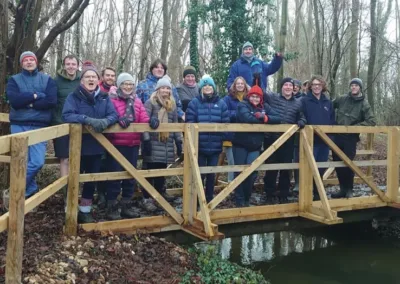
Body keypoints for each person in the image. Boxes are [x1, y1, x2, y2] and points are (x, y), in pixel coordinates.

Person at [62, 61, 118, 223]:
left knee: (91, 179)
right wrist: (86, 120)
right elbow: (67, 115)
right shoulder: (74, 97)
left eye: (94, 77)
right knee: (74, 178)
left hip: (97, 146)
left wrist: (106, 121)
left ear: (98, 79)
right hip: (77, 145)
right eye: (87, 77)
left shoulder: (104, 97)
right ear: (82, 80)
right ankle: (70, 209)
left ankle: (85, 209)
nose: (91, 79)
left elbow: (114, 115)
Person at [6, 51, 57, 198]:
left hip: (39, 126)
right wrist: (35, 96)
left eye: (31, 59)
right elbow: (15, 101)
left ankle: (13, 191)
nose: (29, 62)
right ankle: (29, 189)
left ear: (36, 62)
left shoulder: (47, 80)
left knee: (37, 162)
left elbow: (51, 101)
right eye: (25, 60)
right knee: (20, 161)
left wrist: (26, 103)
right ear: (22, 63)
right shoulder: (14, 80)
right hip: (18, 125)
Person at [105, 73, 150, 220]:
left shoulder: (136, 101)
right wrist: (118, 120)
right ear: (119, 85)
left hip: (133, 144)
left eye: (131, 84)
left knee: (130, 176)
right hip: (116, 144)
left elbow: (143, 117)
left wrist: (152, 121)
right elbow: (108, 116)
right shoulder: (111, 100)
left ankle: (126, 206)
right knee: (114, 176)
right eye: (125, 84)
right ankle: (111, 207)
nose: (128, 87)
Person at [232, 84, 280, 207]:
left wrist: (265, 118)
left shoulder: (265, 107)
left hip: (255, 145)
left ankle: (247, 198)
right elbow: (247, 118)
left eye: (257, 97)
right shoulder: (243, 104)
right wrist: (259, 116)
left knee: (252, 173)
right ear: (249, 96)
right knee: (240, 172)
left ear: (261, 98)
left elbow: (278, 118)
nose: (255, 99)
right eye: (253, 96)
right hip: (240, 144)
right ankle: (239, 200)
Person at [186, 75, 230, 202]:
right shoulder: (194, 103)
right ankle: (196, 201)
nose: (207, 87)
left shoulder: (221, 104)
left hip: (215, 147)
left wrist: (221, 137)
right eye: (204, 85)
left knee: (211, 175)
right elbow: (190, 122)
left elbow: (226, 123)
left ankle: (209, 200)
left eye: (209, 85)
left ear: (213, 88)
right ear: (201, 88)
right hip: (199, 146)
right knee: (199, 175)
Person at [142, 76, 183, 212]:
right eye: (163, 87)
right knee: (149, 171)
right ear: (158, 89)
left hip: (167, 143)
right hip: (153, 142)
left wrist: (179, 141)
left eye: (167, 88)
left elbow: (175, 124)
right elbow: (144, 122)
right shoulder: (150, 102)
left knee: (161, 170)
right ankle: (147, 198)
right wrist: (146, 140)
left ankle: (160, 194)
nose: (165, 90)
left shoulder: (172, 104)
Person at [263, 78, 306, 203]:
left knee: (286, 169)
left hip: (288, 140)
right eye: (285, 85)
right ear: (281, 87)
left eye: (290, 85)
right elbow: (260, 92)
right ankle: (269, 194)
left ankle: (283, 194)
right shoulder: (273, 97)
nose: (288, 87)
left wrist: (301, 122)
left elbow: (302, 116)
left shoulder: (298, 103)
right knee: (271, 168)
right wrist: (258, 77)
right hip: (271, 138)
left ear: (294, 88)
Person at [331, 78, 376, 198]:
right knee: (337, 163)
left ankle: (349, 189)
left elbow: (371, 121)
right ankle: (342, 189)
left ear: (360, 88)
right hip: (337, 136)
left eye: (356, 85)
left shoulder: (364, 103)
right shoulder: (342, 99)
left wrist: (355, 128)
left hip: (350, 138)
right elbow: (329, 106)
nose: (354, 87)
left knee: (348, 163)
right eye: (352, 85)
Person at [301, 75, 335, 200]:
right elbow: (301, 116)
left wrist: (330, 137)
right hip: (310, 140)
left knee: (321, 167)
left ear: (323, 86)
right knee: (310, 167)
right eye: (314, 84)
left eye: (319, 85)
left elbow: (332, 121)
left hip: (324, 141)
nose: (316, 87)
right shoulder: (305, 101)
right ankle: (307, 194)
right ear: (310, 86)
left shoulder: (328, 102)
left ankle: (317, 192)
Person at [52, 55, 81, 191]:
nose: (70, 66)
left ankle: (76, 188)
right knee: (64, 158)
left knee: (78, 157)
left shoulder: (83, 80)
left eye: (73, 64)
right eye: (68, 64)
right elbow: (52, 102)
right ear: (64, 65)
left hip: (79, 124)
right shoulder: (56, 81)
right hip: (61, 123)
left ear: (77, 65)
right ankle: (66, 190)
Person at [222, 76, 250, 183]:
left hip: (245, 136)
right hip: (230, 135)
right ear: (234, 85)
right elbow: (224, 113)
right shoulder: (228, 98)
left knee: (243, 162)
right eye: (237, 83)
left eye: (242, 83)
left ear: (244, 85)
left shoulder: (249, 98)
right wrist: (238, 114)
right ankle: (230, 185)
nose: (239, 85)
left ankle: (241, 185)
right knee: (232, 162)